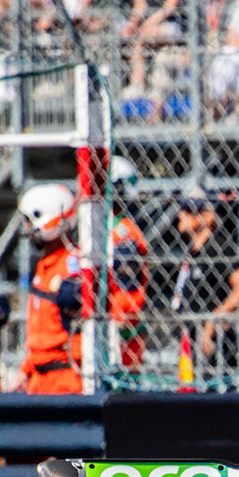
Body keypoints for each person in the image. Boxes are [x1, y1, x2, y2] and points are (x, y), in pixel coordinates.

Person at [171, 185, 239, 383]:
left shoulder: (217, 247)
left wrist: (214, 319)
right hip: (192, 343)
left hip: (212, 348)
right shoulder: (194, 252)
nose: (181, 214)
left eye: (190, 210)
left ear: (208, 217)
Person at [18, 183, 89, 394]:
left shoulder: (72, 267)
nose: (27, 229)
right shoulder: (46, 266)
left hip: (65, 378)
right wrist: (26, 369)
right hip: (40, 379)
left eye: (30, 222)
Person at [107, 156, 152, 371]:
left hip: (121, 331)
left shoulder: (124, 232)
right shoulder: (104, 227)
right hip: (110, 324)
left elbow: (128, 293)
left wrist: (116, 323)